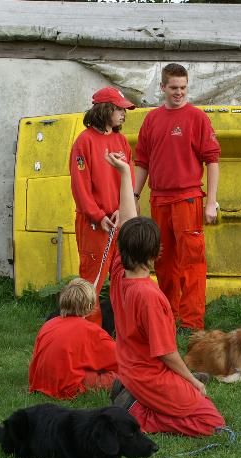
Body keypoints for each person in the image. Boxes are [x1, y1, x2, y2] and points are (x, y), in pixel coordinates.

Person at [105, 148, 225, 437]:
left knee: (184, 388)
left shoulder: (119, 273)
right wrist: (192, 382)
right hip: (149, 375)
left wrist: (125, 175)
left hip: (130, 368)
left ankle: (133, 391)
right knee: (211, 420)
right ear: (156, 253)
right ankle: (137, 412)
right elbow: (167, 353)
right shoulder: (149, 296)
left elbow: (127, 222)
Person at [133, 63, 221, 332]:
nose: (179, 93)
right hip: (158, 200)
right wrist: (134, 195)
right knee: (162, 260)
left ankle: (192, 321)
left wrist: (211, 202)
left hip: (188, 200)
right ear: (162, 88)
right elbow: (142, 161)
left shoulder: (197, 118)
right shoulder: (152, 119)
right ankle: (169, 315)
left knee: (192, 262)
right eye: (173, 88)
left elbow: (212, 161)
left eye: (183, 88)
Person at [70, 86, 136, 326]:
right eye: (119, 109)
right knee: (92, 280)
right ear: (104, 110)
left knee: (123, 276)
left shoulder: (121, 141)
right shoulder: (83, 142)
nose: (123, 113)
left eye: (124, 109)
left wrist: (123, 208)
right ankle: (89, 330)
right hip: (95, 225)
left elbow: (129, 178)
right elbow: (80, 188)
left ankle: (121, 330)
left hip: (119, 220)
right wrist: (98, 216)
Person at [28, 278, 118, 399]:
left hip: (40, 382)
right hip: (66, 386)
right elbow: (121, 359)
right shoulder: (91, 331)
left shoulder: (49, 324)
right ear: (90, 306)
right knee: (123, 376)